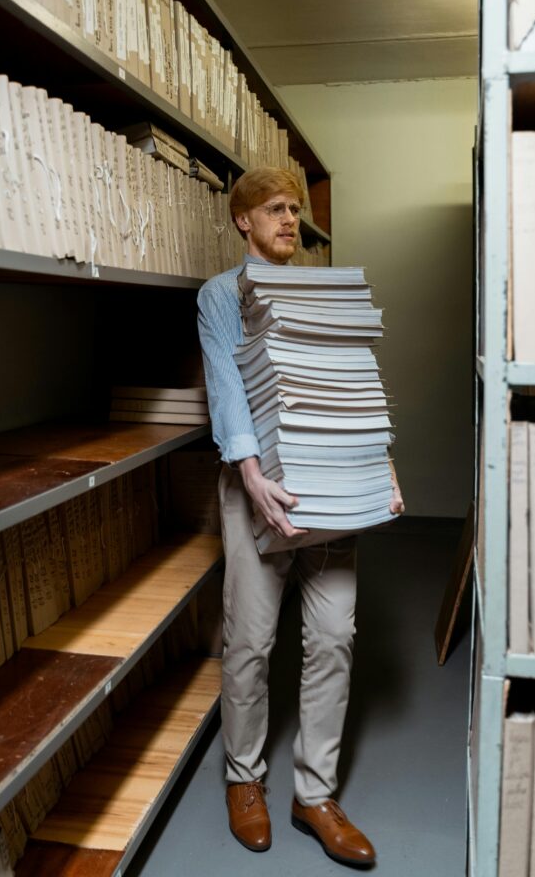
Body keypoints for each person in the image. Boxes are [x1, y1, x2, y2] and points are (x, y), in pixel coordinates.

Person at [197, 166, 404, 867]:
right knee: (251, 643)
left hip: (335, 487)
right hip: (256, 486)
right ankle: (243, 781)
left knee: (334, 637)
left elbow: (354, 384)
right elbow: (227, 388)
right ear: (242, 222)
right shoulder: (220, 296)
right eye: (275, 210)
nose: (290, 220)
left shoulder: (321, 292)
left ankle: (313, 794)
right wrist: (252, 475)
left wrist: (382, 472)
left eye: (295, 210)